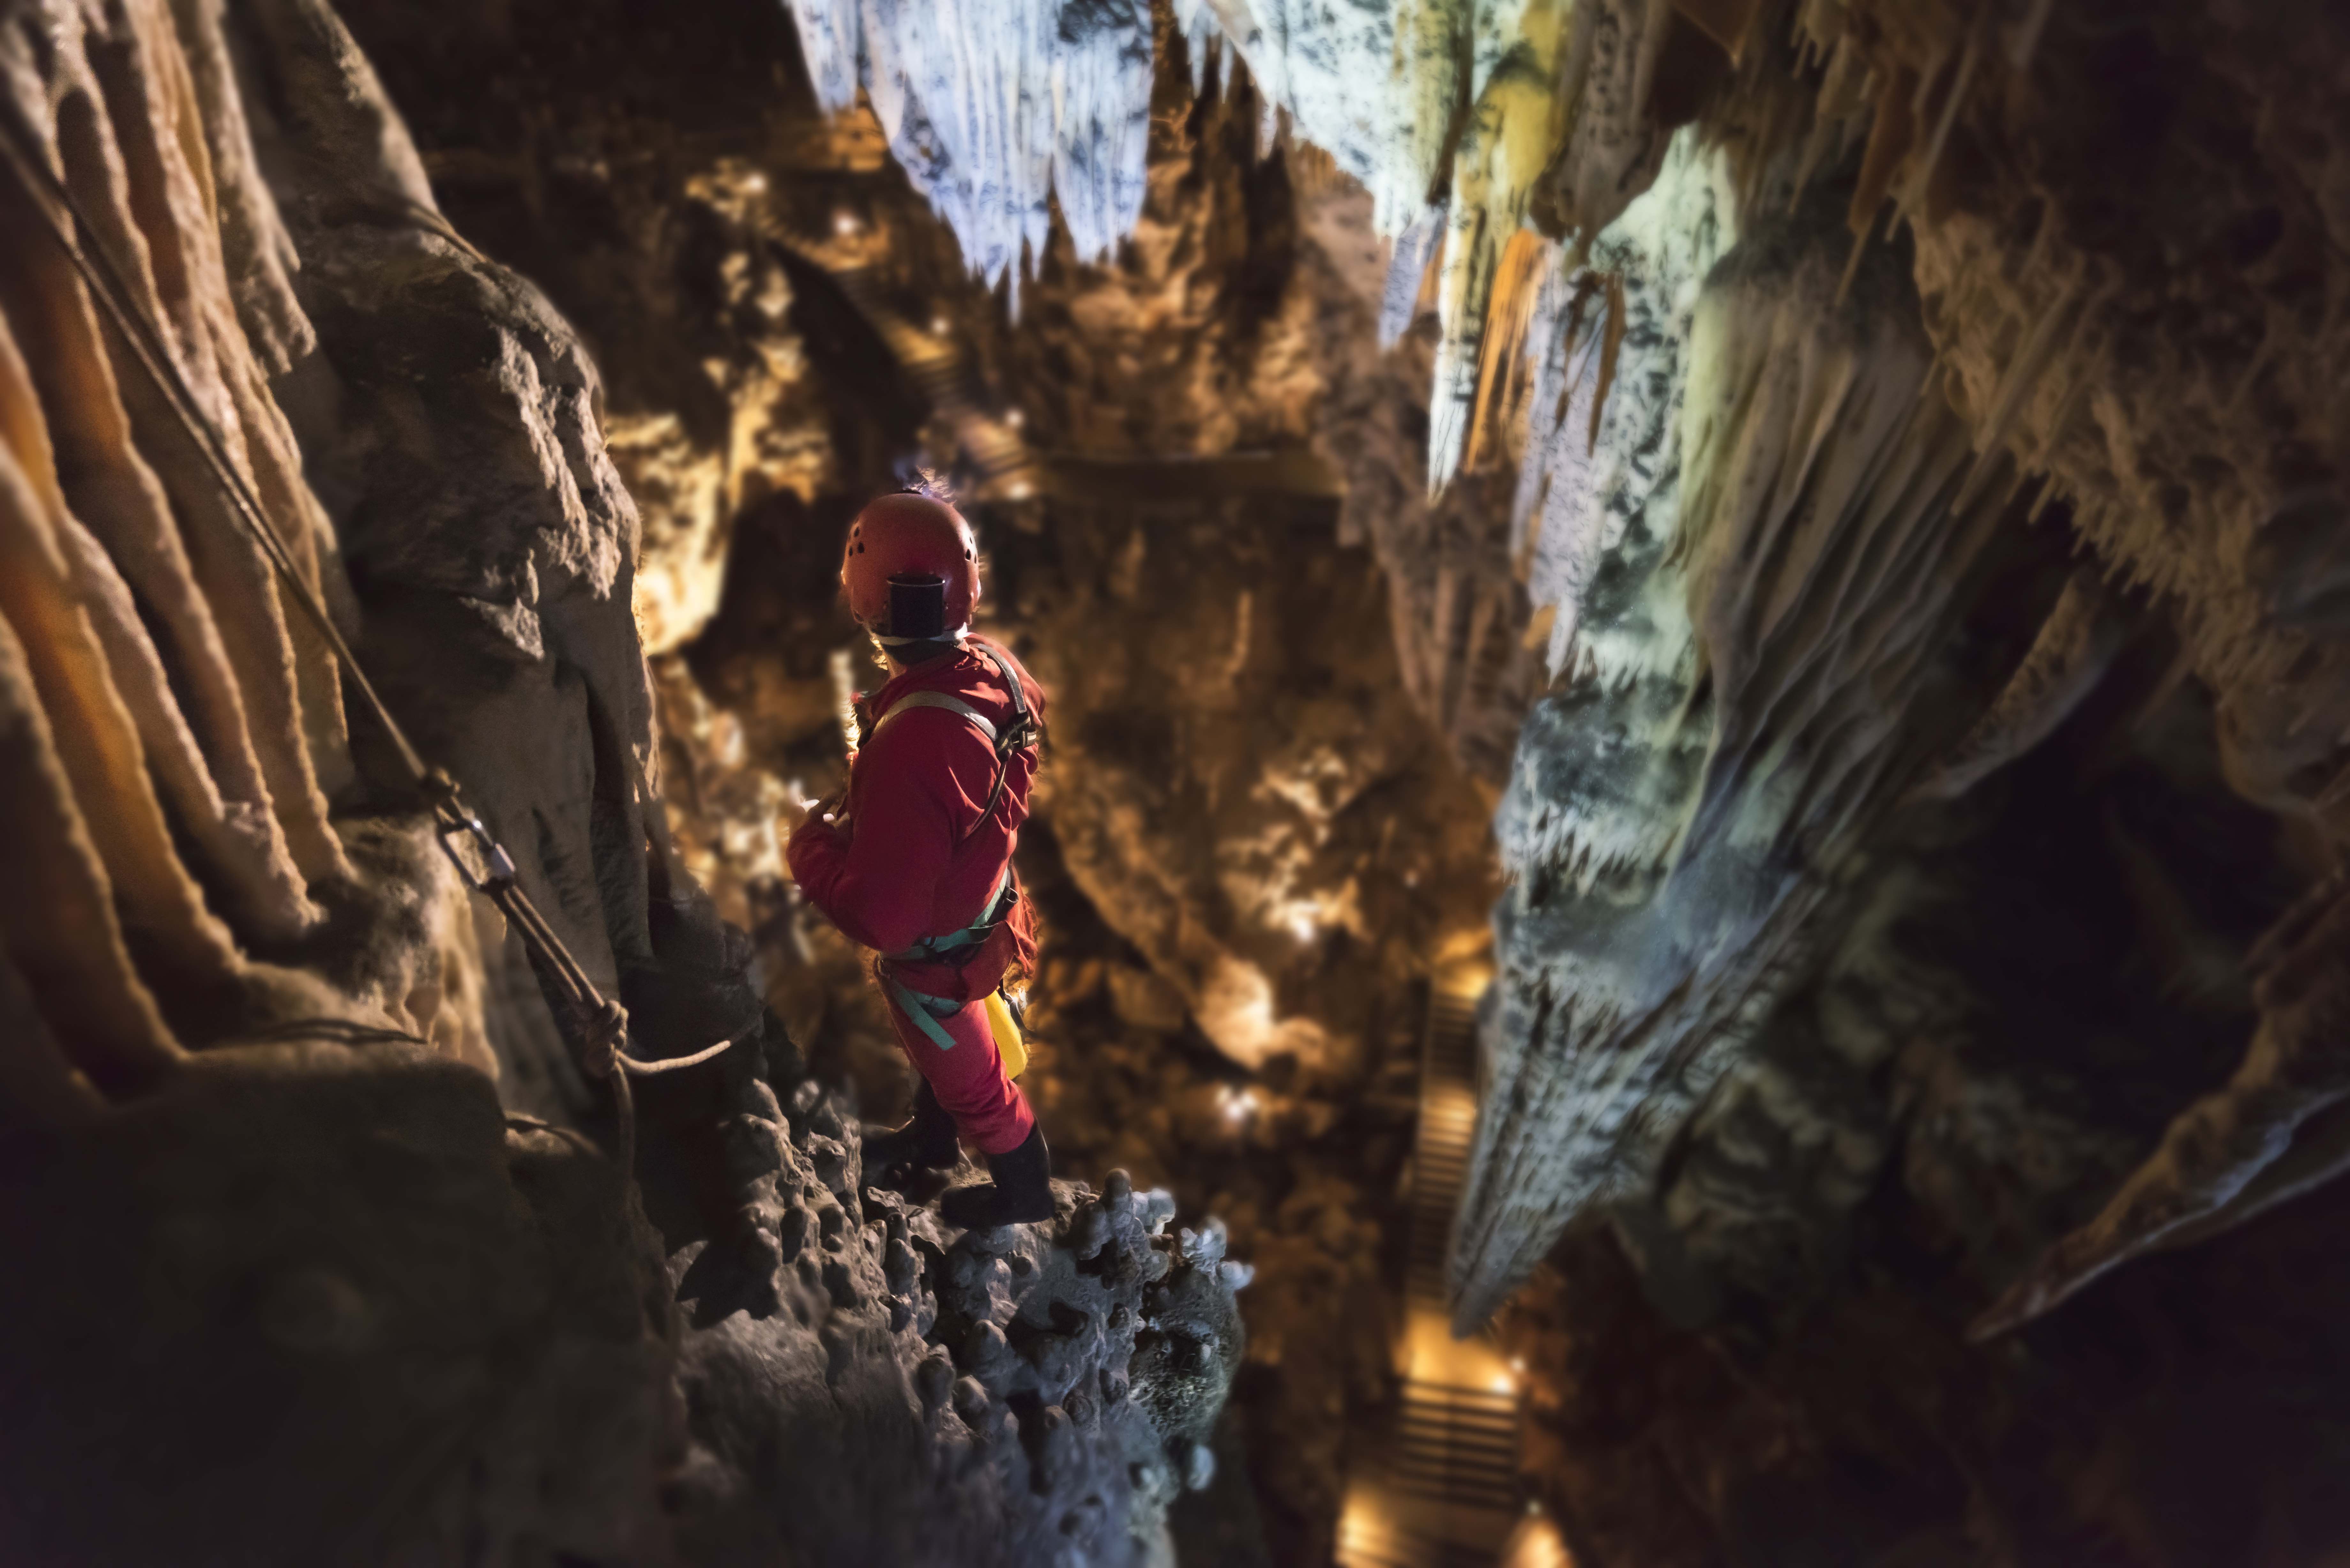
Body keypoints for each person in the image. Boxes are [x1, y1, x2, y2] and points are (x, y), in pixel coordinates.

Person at [784, 484, 1055, 1228]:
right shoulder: (997, 670)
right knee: (949, 1069)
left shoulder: (912, 743)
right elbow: (971, 767)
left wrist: (807, 845)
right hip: (991, 904)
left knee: (980, 1090)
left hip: (941, 958)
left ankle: (1024, 1192)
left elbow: (886, 919)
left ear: (863, 596)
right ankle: (931, 1143)